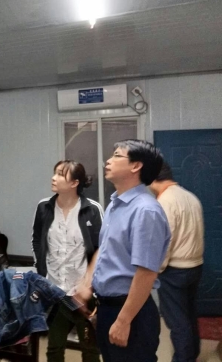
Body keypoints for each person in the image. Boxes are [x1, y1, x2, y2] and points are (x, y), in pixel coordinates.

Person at [74, 139, 171, 362]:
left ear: (136, 166)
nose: (108, 161)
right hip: (107, 308)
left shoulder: (146, 211)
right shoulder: (115, 204)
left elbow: (146, 272)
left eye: (117, 155)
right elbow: (104, 249)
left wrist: (123, 320)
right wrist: (87, 283)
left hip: (130, 312)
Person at [32, 160, 103, 362]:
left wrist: (89, 285)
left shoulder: (92, 209)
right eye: (54, 173)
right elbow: (36, 240)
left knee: (90, 349)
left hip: (83, 292)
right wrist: (41, 273)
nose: (54, 178)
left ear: (74, 183)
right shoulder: (44, 208)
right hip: (56, 292)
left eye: (61, 175)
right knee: (54, 348)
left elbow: (102, 248)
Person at [150, 162, 204, 362]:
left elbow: (166, 241)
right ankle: (192, 354)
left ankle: (183, 359)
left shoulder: (164, 202)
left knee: (177, 322)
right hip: (195, 265)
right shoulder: (190, 197)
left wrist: (156, 269)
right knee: (189, 315)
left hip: (174, 270)